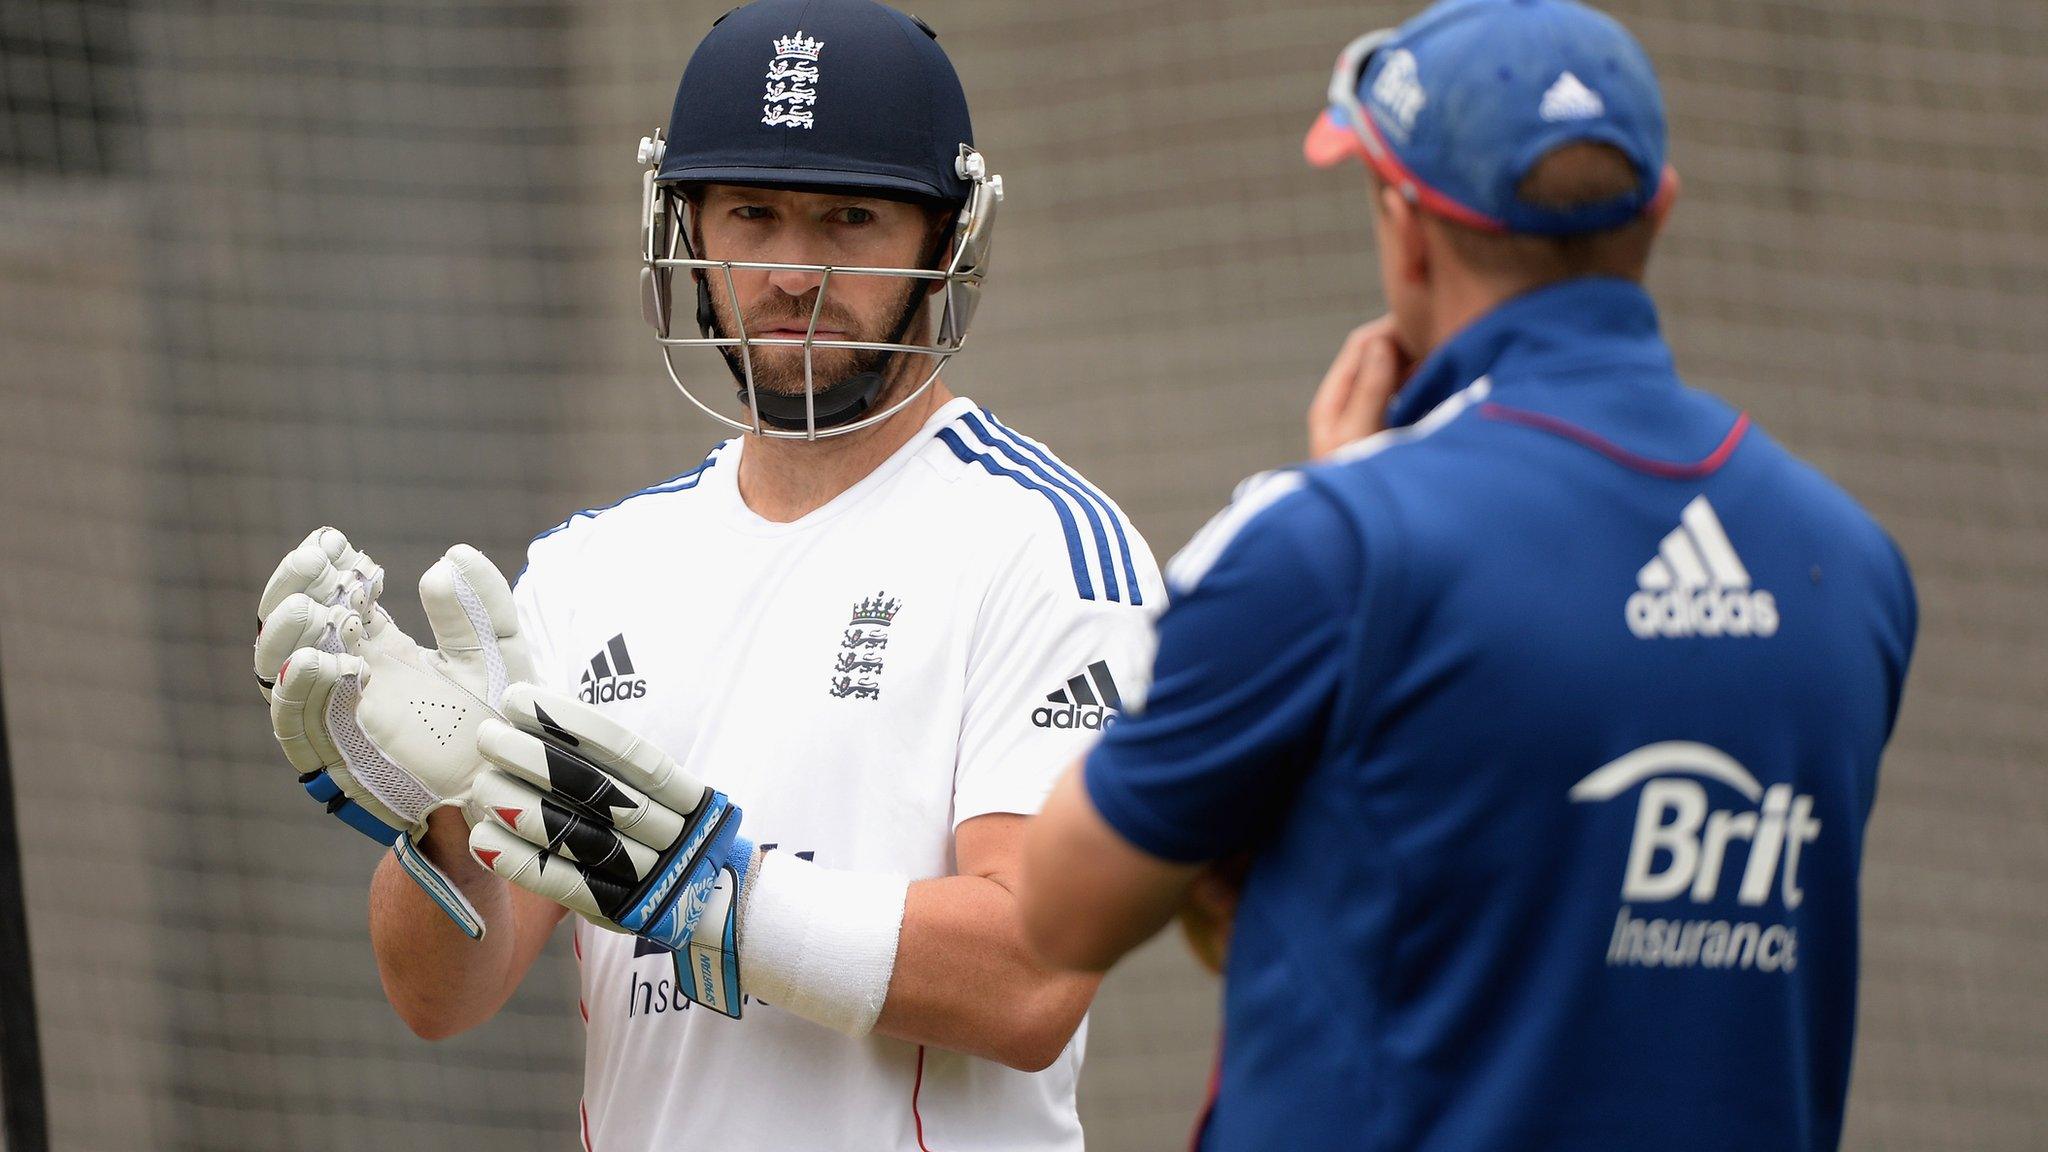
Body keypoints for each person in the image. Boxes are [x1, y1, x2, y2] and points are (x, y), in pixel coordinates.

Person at [251, 2, 1162, 1148]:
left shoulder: (1043, 544)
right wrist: (441, 822)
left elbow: (1033, 980)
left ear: (947, 237)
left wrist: (707, 892)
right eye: (750, 213)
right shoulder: (591, 567)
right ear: (680, 223)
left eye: (850, 216)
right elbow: (442, 999)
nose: (792, 272)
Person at [1017, 1, 1919, 1149]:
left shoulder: (1329, 547)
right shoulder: (1852, 566)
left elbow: (1056, 909)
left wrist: (1321, 527)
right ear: (1660, 209)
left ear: (1403, 224)